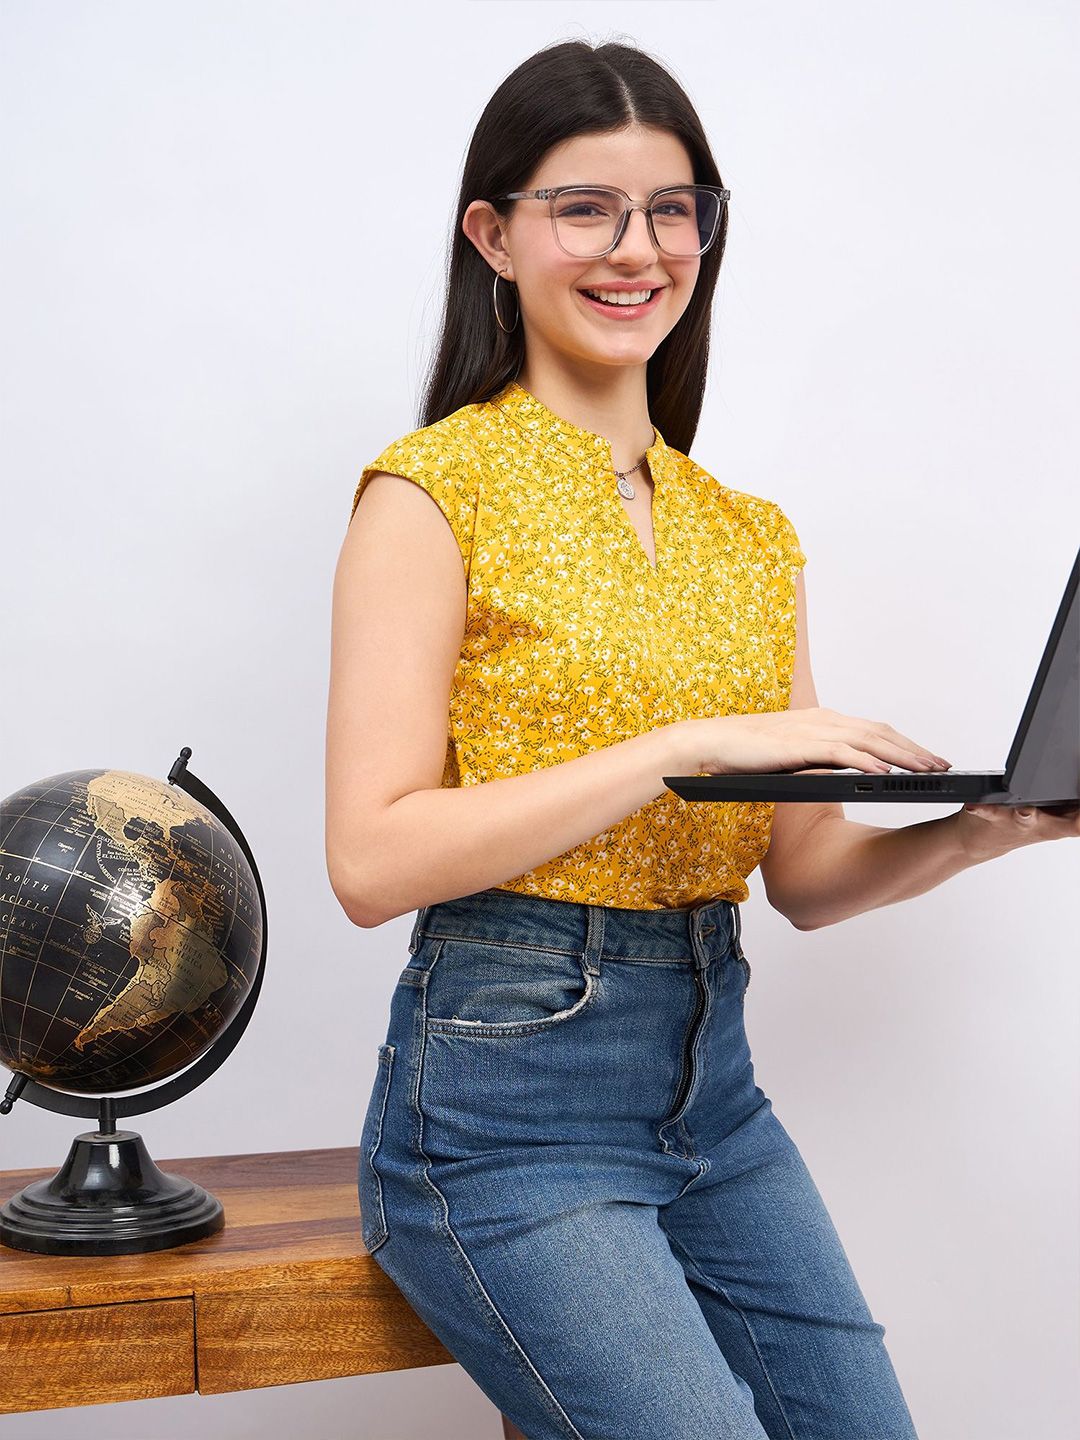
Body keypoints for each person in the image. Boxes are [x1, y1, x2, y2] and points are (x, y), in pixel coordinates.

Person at [325, 39, 1079, 1440]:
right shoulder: (432, 492)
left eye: (675, 209)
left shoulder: (748, 535)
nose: (638, 249)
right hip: (502, 1113)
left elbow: (803, 877)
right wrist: (682, 744)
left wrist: (994, 825)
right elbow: (370, 859)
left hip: (712, 1097)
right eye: (585, 207)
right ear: (492, 234)